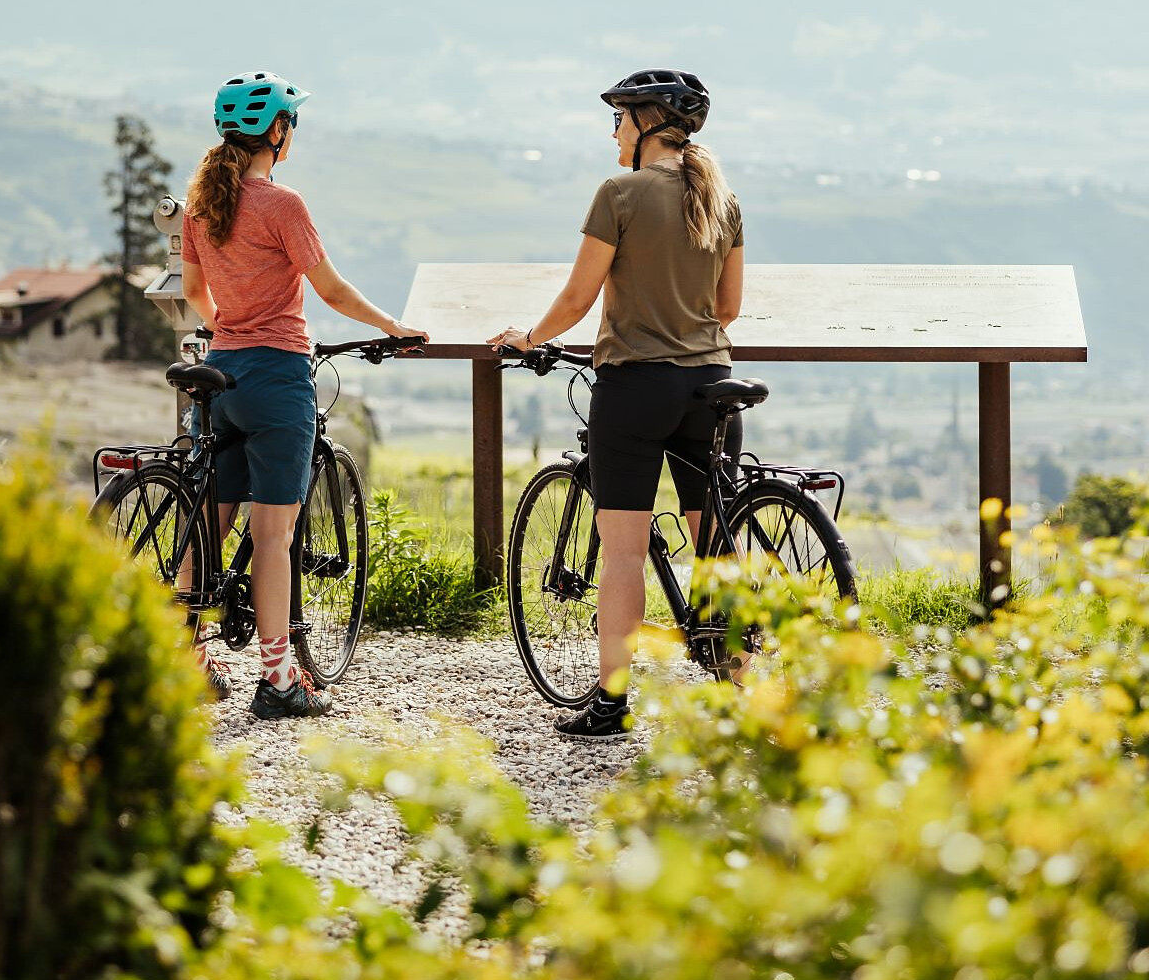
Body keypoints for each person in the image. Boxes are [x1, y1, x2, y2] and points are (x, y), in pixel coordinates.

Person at [488, 69, 744, 737]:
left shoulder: (619, 193)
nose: (613, 132)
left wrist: (529, 338)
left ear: (646, 123)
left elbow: (578, 299)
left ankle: (611, 701)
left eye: (619, 119)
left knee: (624, 550)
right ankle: (741, 685)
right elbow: (728, 308)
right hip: (712, 383)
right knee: (714, 540)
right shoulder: (722, 198)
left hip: (637, 388)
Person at [179, 71, 427, 718]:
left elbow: (194, 292)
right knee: (273, 533)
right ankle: (279, 679)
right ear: (278, 132)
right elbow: (332, 290)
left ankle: (186, 660)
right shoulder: (282, 205)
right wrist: (393, 326)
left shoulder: (202, 204)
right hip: (277, 377)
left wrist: (226, 327)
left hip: (221, 374)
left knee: (209, 525)